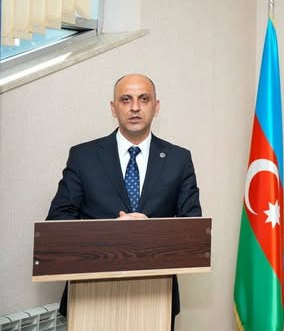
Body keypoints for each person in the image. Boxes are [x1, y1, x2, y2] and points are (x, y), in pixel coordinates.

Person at [47, 73, 202, 328]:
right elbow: (57, 223)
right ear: (113, 108)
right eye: (126, 99)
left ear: (156, 107)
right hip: (90, 296)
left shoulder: (179, 159)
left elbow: (192, 229)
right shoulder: (83, 156)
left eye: (144, 99)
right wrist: (113, 232)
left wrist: (148, 231)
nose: (135, 107)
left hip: (156, 296)